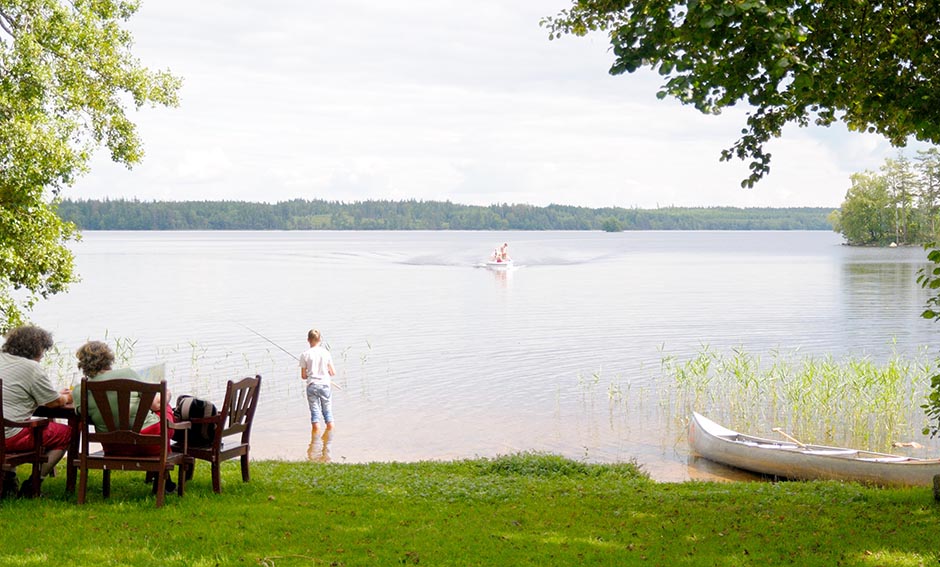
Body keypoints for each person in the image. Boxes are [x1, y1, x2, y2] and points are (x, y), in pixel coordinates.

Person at [0, 325, 73, 497]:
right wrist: (67, 397)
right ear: (36, 348)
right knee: (66, 434)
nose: (42, 355)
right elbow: (53, 402)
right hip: (9, 437)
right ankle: (33, 484)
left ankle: (9, 479)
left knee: (13, 417)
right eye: (43, 350)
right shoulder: (31, 367)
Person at [299, 329, 336, 440]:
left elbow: (303, 376)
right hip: (325, 385)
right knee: (328, 412)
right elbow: (333, 372)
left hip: (312, 385)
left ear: (308, 340)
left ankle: (315, 443)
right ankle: (328, 443)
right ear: (320, 339)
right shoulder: (326, 353)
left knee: (315, 414)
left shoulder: (304, 355)